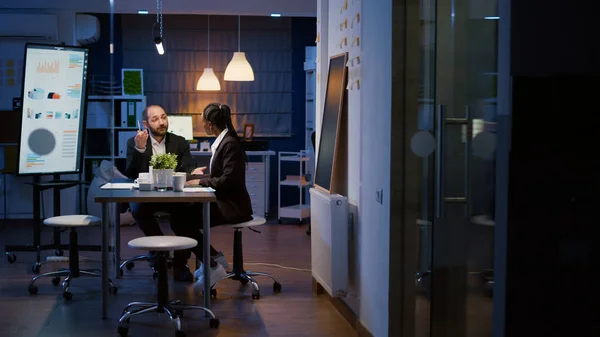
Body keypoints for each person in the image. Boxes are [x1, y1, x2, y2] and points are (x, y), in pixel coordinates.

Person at [125, 104, 215, 282]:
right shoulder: (134, 142)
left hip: (174, 195)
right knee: (138, 210)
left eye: (164, 117)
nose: (161, 122)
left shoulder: (179, 141)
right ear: (145, 123)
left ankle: (181, 264)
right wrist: (140, 150)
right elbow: (131, 174)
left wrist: (192, 173)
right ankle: (160, 252)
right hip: (146, 197)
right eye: (155, 119)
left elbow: (188, 168)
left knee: (186, 216)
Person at [179, 102, 253, 290]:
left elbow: (228, 180)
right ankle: (210, 260)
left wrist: (200, 182)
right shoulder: (223, 141)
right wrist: (189, 178)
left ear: (210, 125)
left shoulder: (229, 144)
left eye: (203, 122)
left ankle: (213, 264)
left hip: (234, 207)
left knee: (182, 221)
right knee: (181, 216)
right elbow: (215, 176)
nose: (202, 125)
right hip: (225, 201)